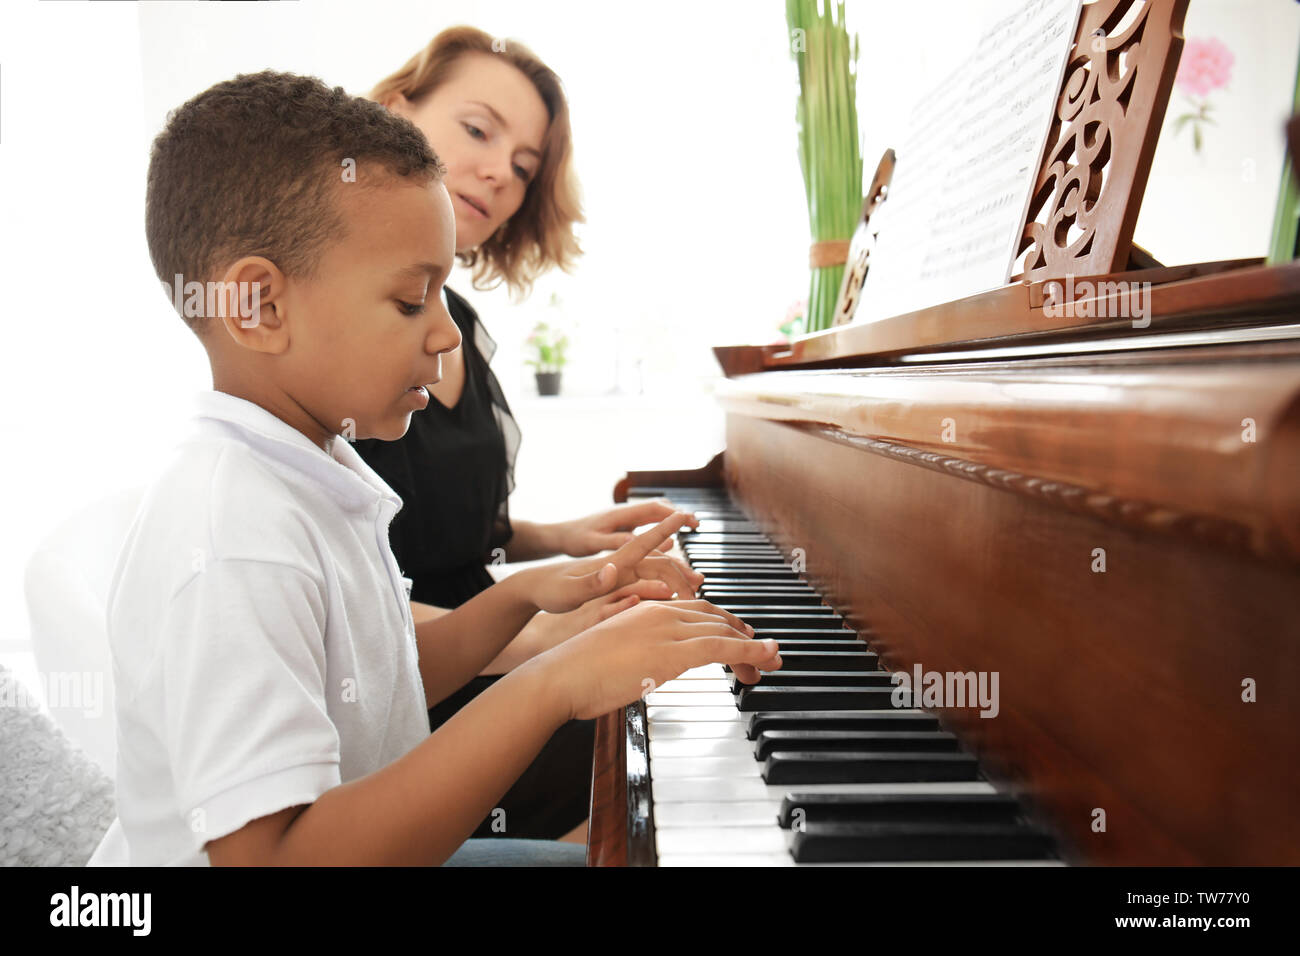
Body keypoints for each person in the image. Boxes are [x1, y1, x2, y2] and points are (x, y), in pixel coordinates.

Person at [87, 70, 779, 867]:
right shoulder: (235, 534)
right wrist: (554, 684)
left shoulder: (310, 464)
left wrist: (527, 598)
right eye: (414, 300)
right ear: (261, 308)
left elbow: (380, 680)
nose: (449, 336)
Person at [351, 27, 693, 841]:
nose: (501, 171)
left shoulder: (455, 322)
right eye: (478, 131)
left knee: (662, 722)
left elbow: (442, 522)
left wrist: (562, 539)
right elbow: (344, 612)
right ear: (398, 112)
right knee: (664, 761)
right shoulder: (336, 331)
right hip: (417, 689)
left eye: (525, 166)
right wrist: (540, 631)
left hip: (479, 641)